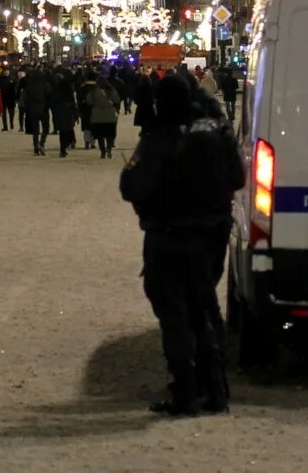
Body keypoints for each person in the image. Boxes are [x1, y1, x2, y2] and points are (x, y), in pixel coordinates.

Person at [120, 71, 246, 417]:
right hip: (210, 236)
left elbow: (133, 186)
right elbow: (238, 177)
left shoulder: (160, 135)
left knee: (174, 314)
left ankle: (186, 391)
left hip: (169, 236)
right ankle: (216, 389)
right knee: (205, 308)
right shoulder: (217, 130)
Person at [84, 74, 121, 159]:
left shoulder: (93, 91)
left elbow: (89, 101)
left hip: (97, 115)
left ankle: (103, 151)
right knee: (110, 134)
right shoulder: (111, 89)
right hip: (110, 114)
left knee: (100, 135)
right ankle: (109, 147)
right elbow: (117, 99)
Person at [49, 72, 79, 158]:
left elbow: (52, 102)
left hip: (59, 111)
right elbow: (73, 103)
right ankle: (69, 143)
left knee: (62, 132)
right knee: (68, 129)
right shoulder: (68, 92)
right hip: (68, 111)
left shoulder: (56, 90)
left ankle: (63, 149)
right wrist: (76, 114)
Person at [22, 69, 50, 156]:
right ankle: (42, 143)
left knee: (35, 130)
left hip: (33, 110)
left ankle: (36, 148)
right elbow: (49, 95)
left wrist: (28, 107)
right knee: (45, 128)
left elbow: (25, 97)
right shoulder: (45, 85)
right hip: (43, 109)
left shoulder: (30, 86)